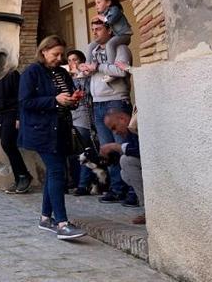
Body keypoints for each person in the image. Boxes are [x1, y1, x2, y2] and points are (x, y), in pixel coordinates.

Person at [18, 35, 86, 240]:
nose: (59, 58)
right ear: (44, 51)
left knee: (54, 172)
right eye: (55, 54)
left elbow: (68, 96)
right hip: (41, 131)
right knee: (57, 171)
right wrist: (54, 100)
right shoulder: (31, 73)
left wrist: (73, 100)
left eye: (61, 54)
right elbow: (25, 102)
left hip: (62, 129)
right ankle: (62, 223)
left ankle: (46, 218)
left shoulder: (62, 73)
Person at [80, 19, 134, 204]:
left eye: (99, 29)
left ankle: (133, 191)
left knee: (124, 147)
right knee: (107, 150)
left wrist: (97, 67)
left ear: (110, 30)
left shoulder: (120, 49)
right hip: (98, 103)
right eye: (93, 29)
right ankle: (117, 188)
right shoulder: (94, 51)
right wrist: (85, 70)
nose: (94, 32)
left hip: (116, 102)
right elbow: (93, 72)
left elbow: (121, 72)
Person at [0, 69, 32, 193]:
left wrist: (19, 117)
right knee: (8, 146)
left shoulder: (12, 74)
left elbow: (20, 96)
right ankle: (19, 178)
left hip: (11, 112)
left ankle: (24, 175)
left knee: (7, 144)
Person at [101, 108, 145, 223]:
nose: (115, 132)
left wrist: (118, 147)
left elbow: (144, 150)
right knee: (124, 173)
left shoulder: (136, 124)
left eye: (114, 127)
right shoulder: (129, 131)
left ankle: (147, 208)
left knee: (126, 161)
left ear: (122, 119)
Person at [66, 49, 95, 196]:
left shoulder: (87, 77)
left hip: (84, 115)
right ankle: (75, 180)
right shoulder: (68, 78)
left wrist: (80, 75)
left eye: (75, 59)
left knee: (85, 150)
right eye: (70, 60)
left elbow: (89, 92)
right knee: (74, 151)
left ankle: (83, 184)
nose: (72, 63)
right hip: (70, 115)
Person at [87, 0, 132, 76]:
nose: (96, 5)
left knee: (110, 44)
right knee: (91, 45)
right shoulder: (105, 14)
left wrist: (100, 17)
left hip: (124, 35)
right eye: (95, 3)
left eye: (98, 2)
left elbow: (109, 21)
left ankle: (110, 68)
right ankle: (87, 66)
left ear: (108, 3)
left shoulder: (115, 9)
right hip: (117, 36)